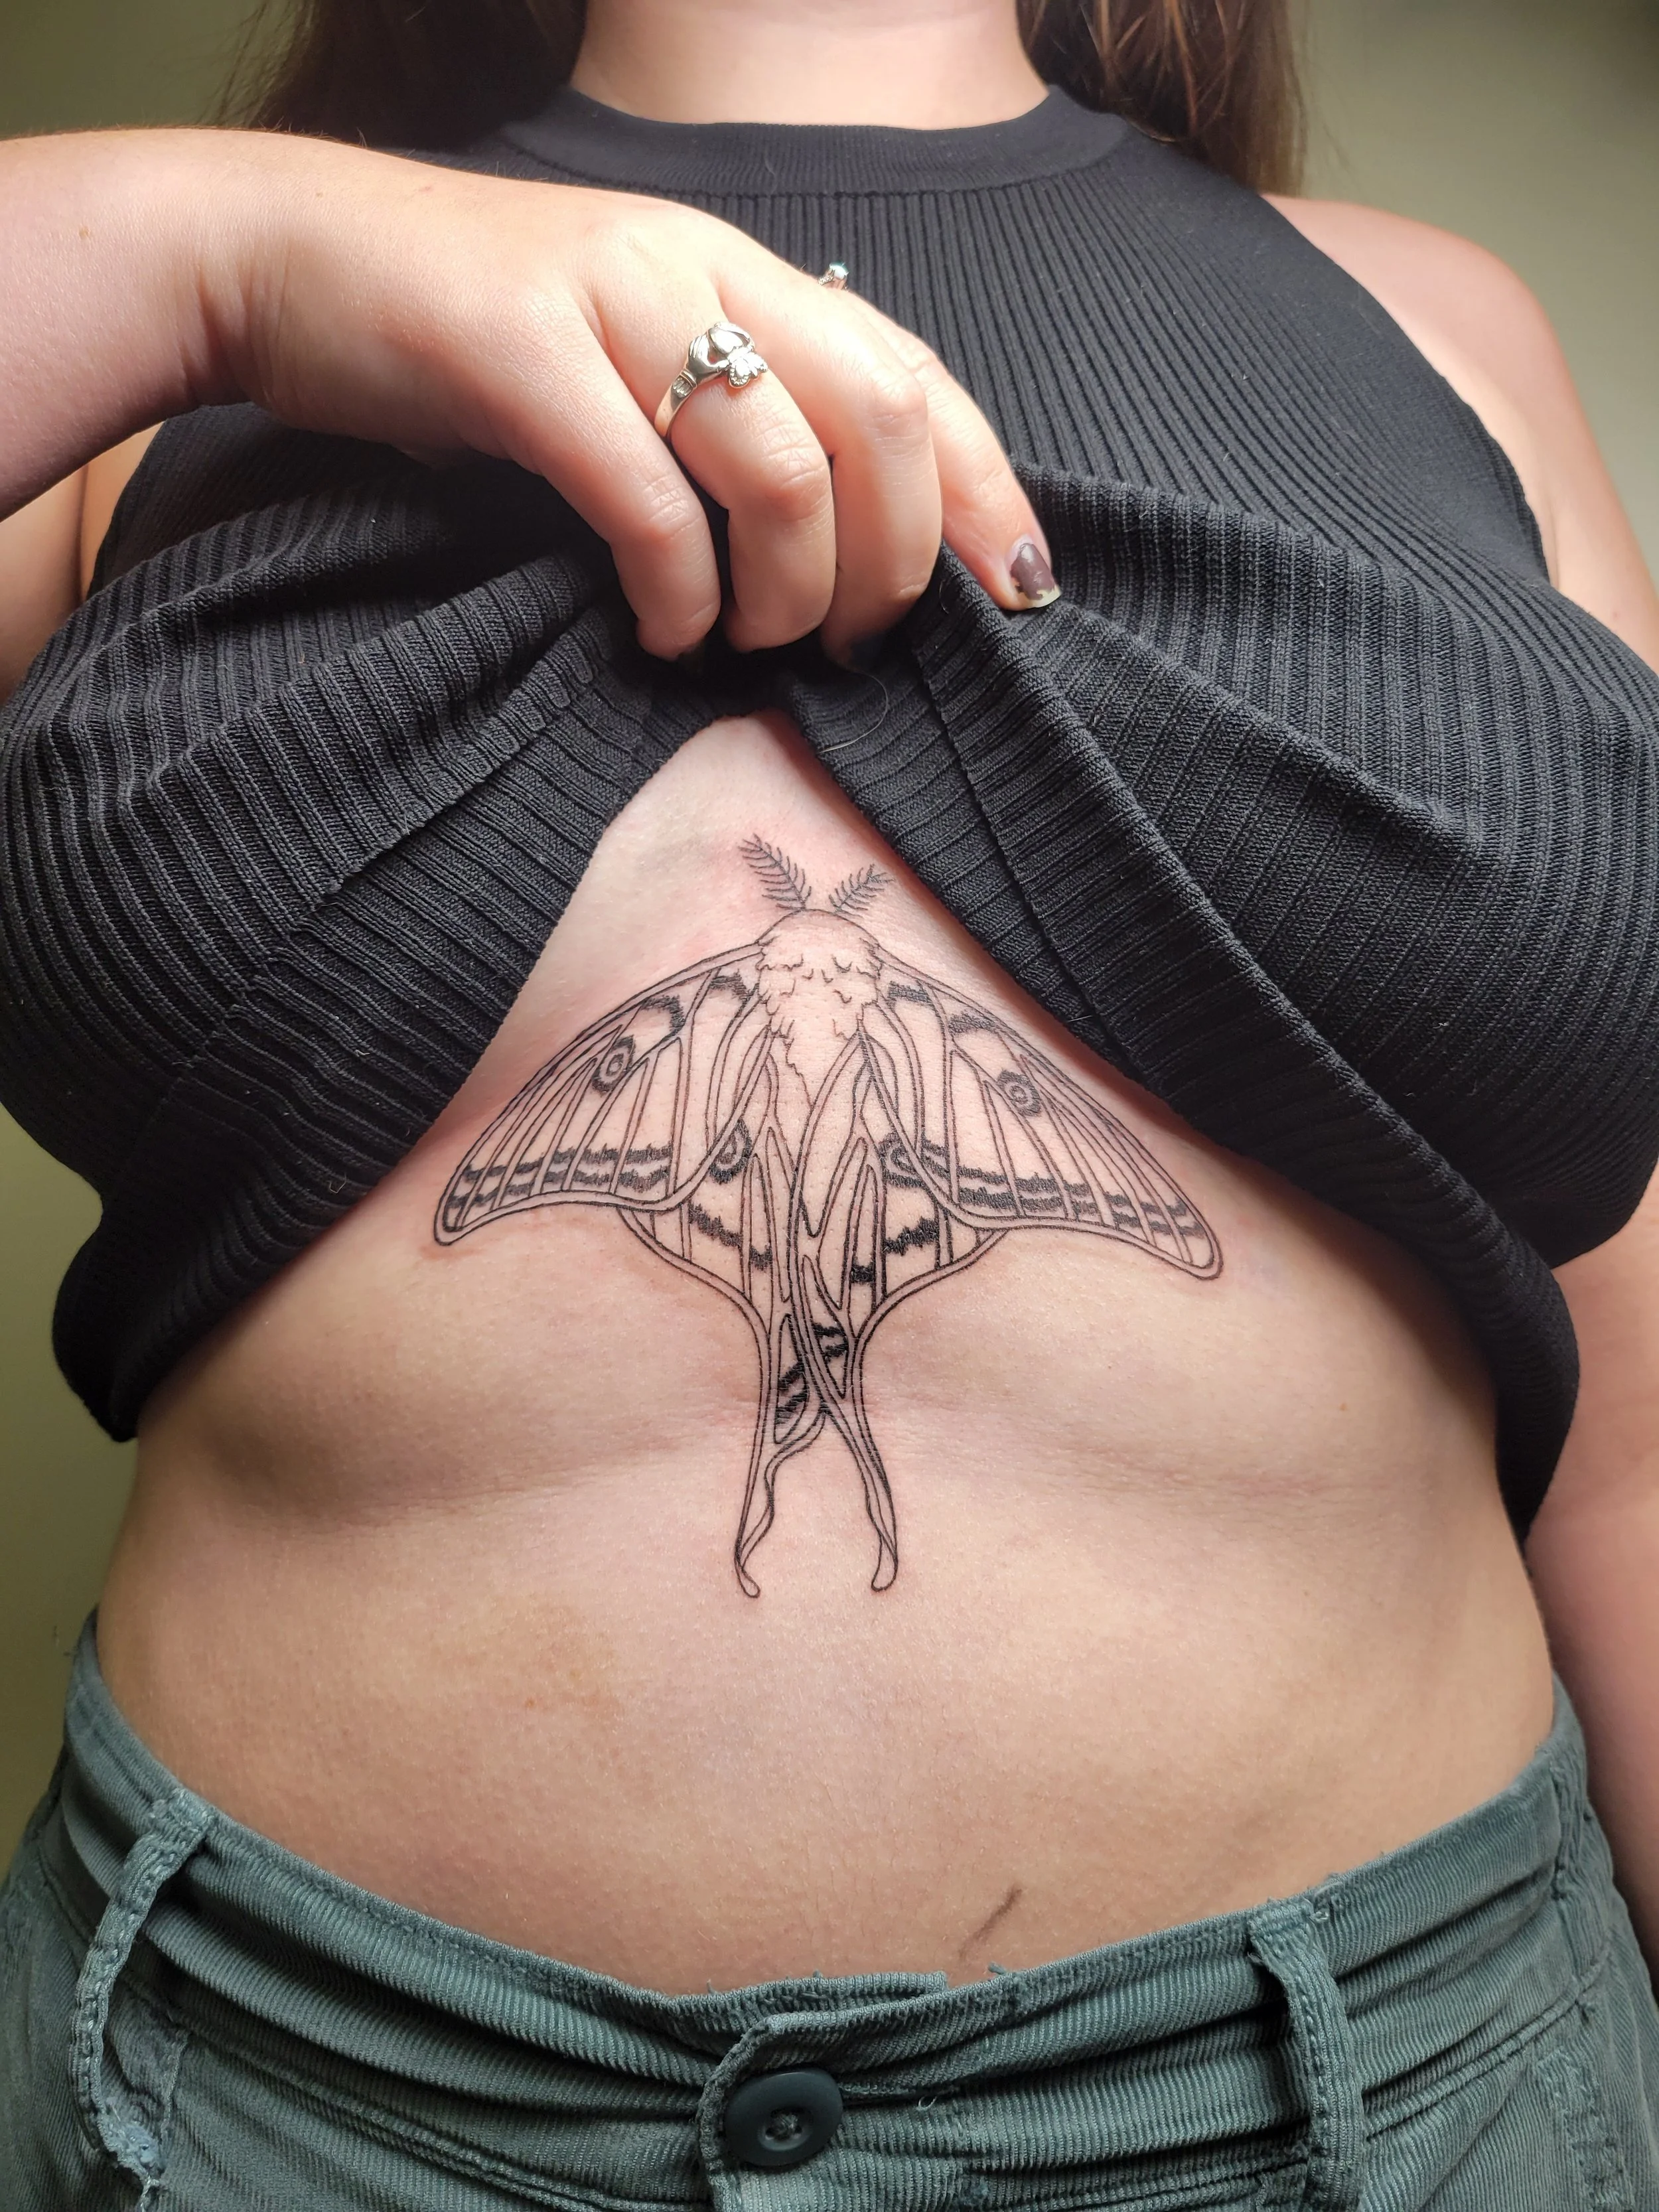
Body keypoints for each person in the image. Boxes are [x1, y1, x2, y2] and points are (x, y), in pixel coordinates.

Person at [2, 3, 1657, 2205]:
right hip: (281, 2096)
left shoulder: (1440, 328)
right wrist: (230, 259)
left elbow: (1634, 1441)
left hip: (1385, 2095)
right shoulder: (154, 377)